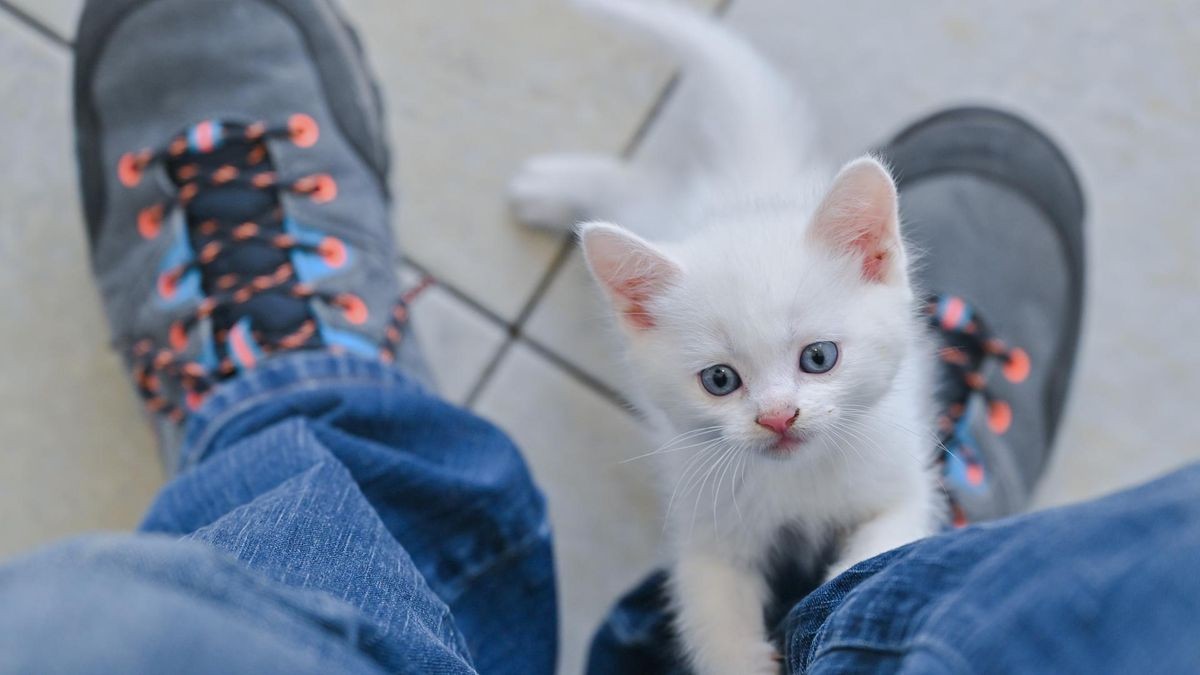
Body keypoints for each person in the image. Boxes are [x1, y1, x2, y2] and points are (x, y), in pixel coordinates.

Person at [1, 1, 1195, 673]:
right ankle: (933, 608)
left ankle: (311, 418)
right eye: (727, 383)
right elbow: (710, 544)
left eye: (815, 363)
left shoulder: (815, 326)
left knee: (106, 638)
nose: (774, 412)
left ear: (882, 268)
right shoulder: (713, 336)